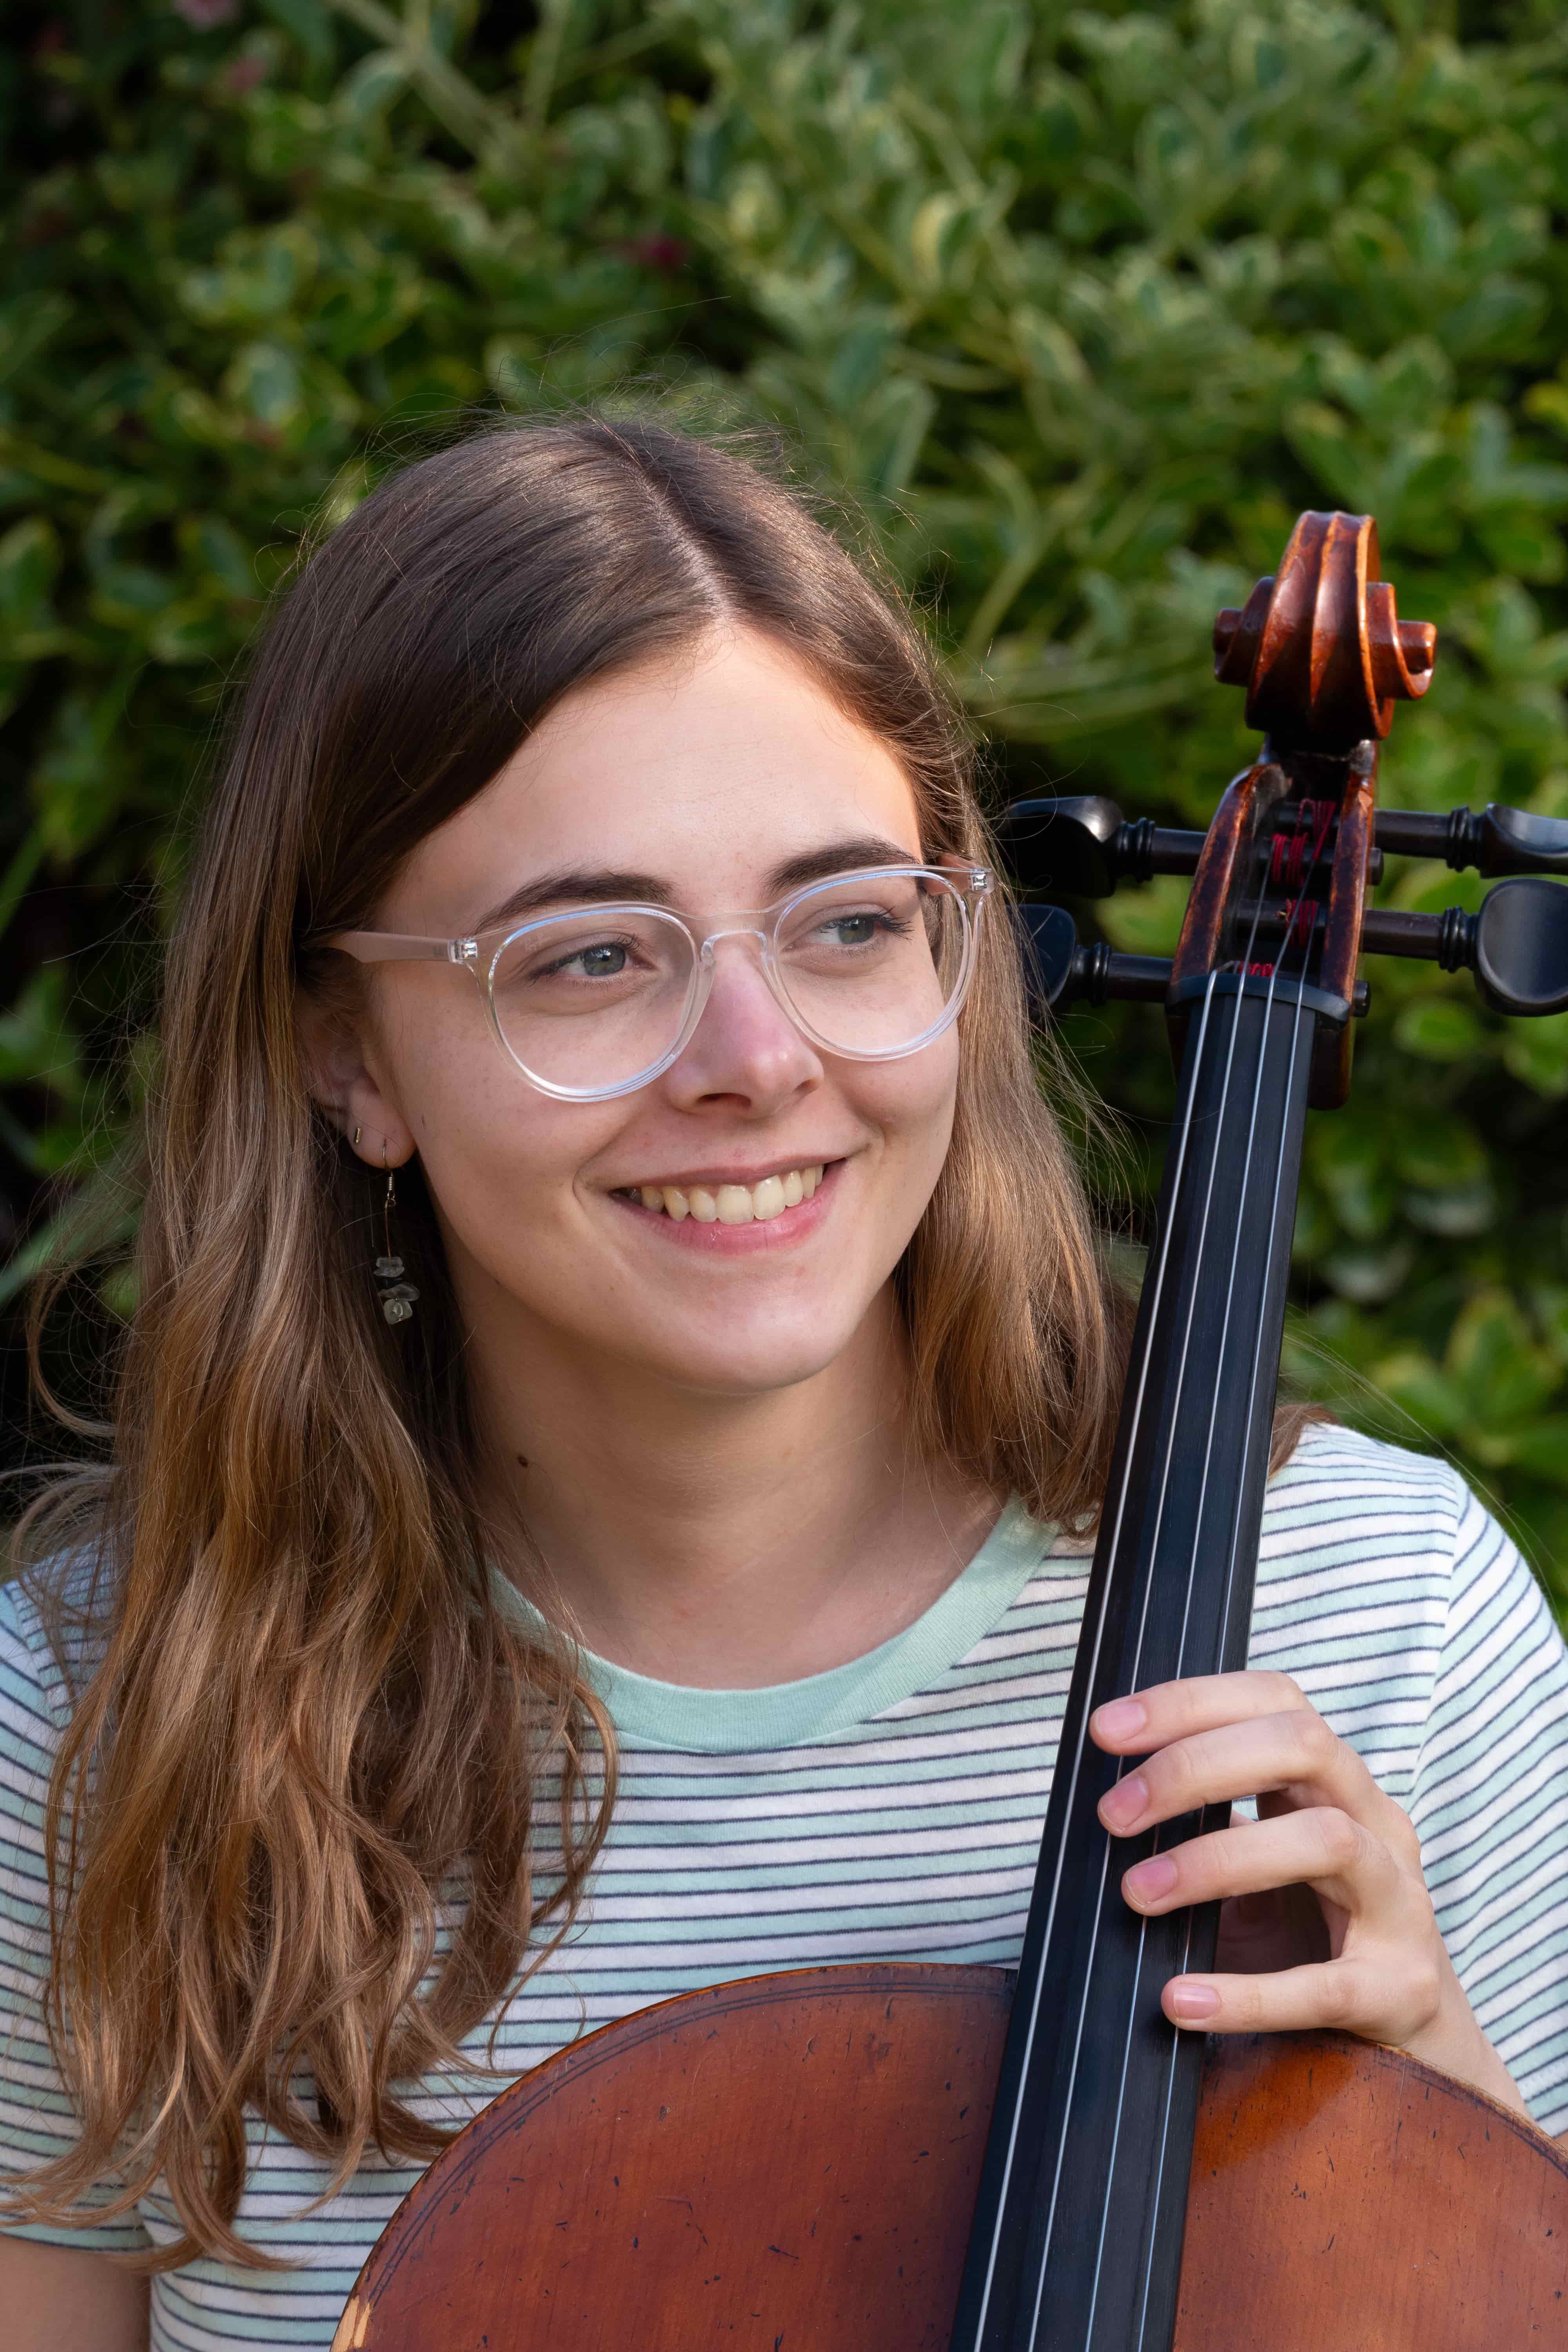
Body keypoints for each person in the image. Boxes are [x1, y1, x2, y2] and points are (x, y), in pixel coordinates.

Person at [1, 418, 1564, 2352]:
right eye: (589, 958)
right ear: (347, 1057)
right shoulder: (97, 1719)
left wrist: (1444, 2084)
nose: (753, 1056)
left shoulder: (1377, 1616)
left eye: (844, 923)